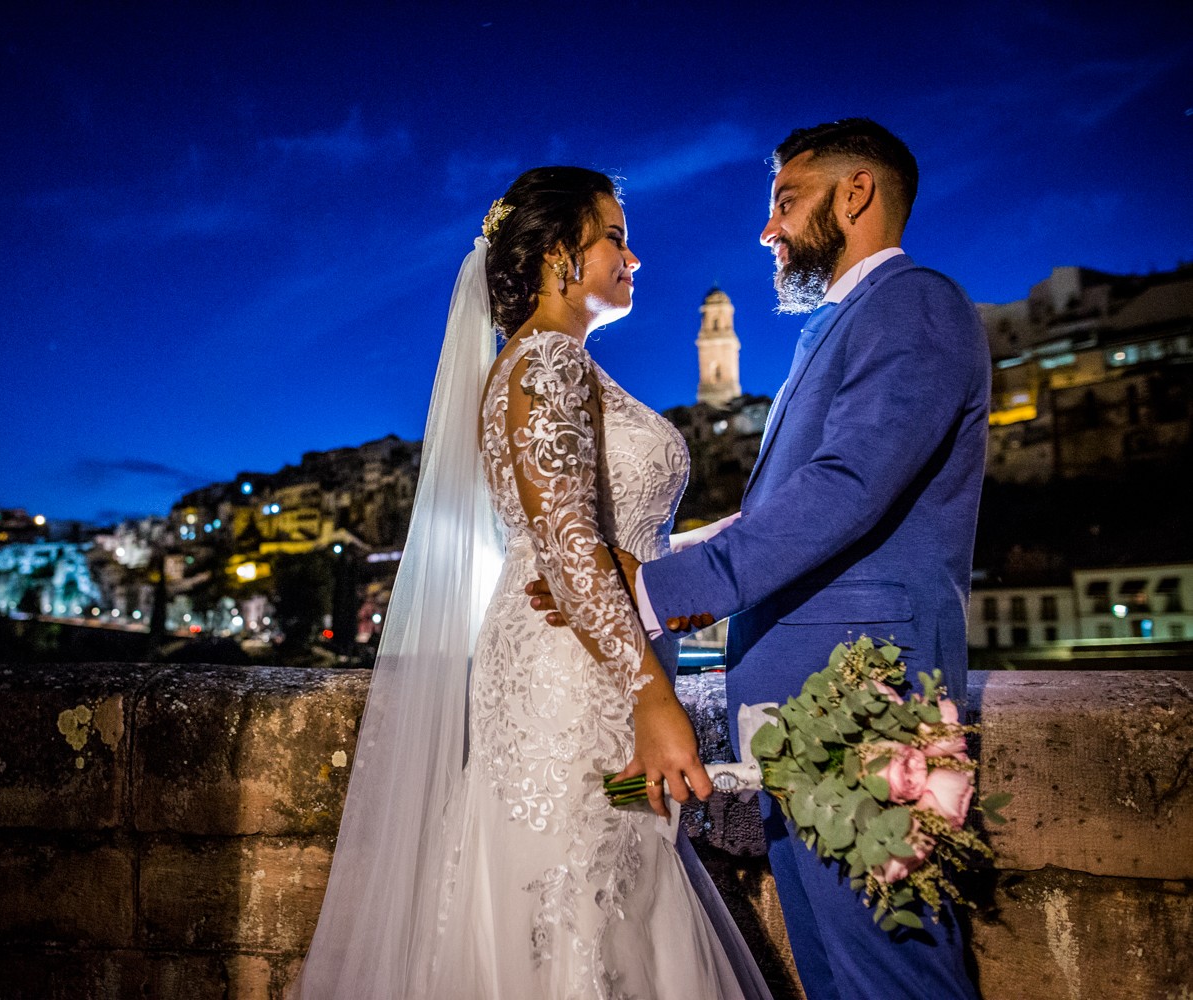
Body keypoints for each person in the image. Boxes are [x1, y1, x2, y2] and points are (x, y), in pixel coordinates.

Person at [537, 120, 990, 1000]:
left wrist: (655, 588)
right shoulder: (843, 324)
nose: (768, 229)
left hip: (861, 708)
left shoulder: (914, 303)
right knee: (838, 976)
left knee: (892, 977)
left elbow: (845, 489)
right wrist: (654, 558)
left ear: (855, 194)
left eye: (786, 201)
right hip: (800, 711)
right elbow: (780, 513)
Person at [294, 167, 772, 999]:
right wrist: (653, 697)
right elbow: (566, 542)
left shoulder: (549, 360)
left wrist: (738, 540)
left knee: (592, 899)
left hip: (573, 653)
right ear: (559, 255)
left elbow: (612, 537)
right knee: (578, 901)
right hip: (573, 670)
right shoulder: (548, 359)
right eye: (615, 238)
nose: (633, 257)